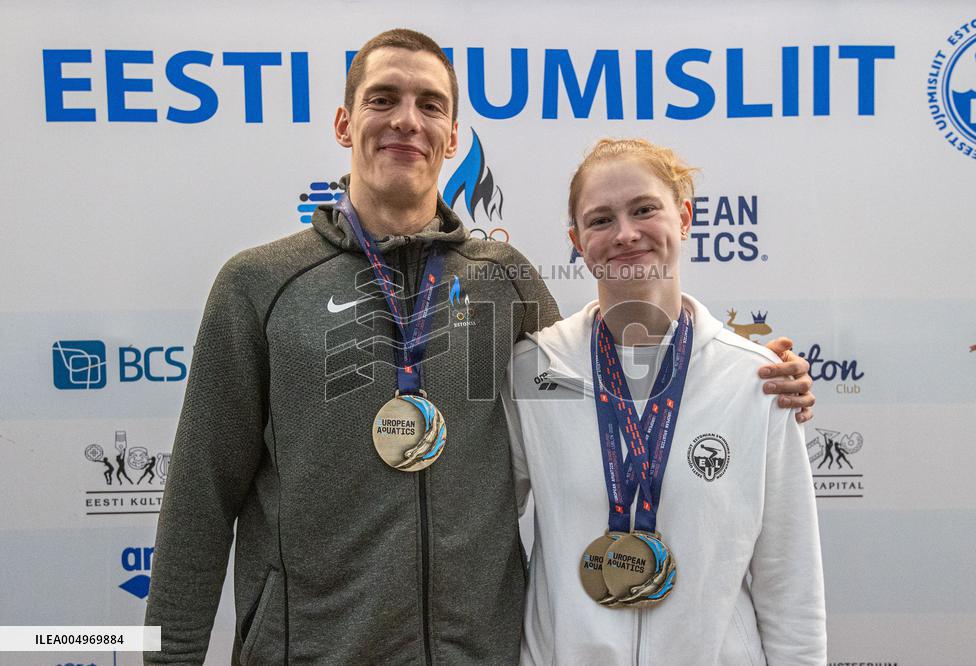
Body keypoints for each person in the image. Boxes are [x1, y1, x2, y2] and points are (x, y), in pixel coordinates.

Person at [145, 30, 815, 664]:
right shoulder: (259, 285)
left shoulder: (504, 280)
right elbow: (199, 502)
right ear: (345, 124)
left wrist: (757, 374)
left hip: (483, 655)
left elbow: (603, 385)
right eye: (383, 99)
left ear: (452, 137)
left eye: (429, 105)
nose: (407, 120)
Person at [503, 139, 825, 664]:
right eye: (601, 219)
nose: (625, 234)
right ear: (577, 241)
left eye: (645, 209)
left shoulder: (758, 380)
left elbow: (790, 583)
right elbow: (479, 521)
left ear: (684, 217)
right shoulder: (534, 369)